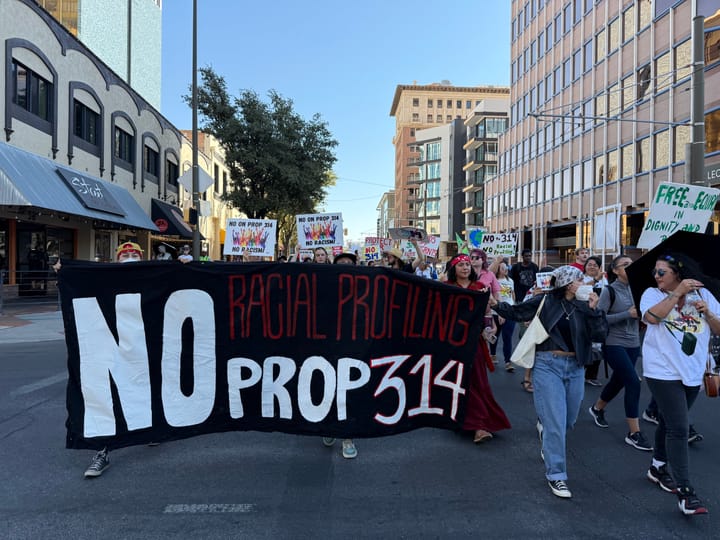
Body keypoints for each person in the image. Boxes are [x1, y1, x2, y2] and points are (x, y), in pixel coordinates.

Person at [494, 265, 607, 499]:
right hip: (548, 364)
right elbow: (517, 312)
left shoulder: (587, 304)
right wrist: (494, 305)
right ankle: (557, 475)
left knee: (569, 419)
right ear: (566, 283)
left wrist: (595, 311)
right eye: (578, 279)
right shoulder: (546, 301)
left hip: (576, 367)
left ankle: (546, 430)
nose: (583, 283)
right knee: (556, 423)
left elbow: (599, 336)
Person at [55, 241, 146, 477]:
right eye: (124, 254)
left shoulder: (151, 277)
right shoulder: (103, 280)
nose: (129, 256)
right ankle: (102, 451)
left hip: (141, 350)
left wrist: (185, 266)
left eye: (133, 254)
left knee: (146, 391)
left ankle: (150, 430)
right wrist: (65, 273)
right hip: (111, 351)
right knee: (107, 398)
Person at [640, 252, 720, 515]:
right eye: (655, 272)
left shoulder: (704, 295)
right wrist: (676, 295)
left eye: (661, 272)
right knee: (679, 427)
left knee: (668, 420)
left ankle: (657, 466)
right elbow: (652, 318)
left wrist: (707, 313)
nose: (656, 276)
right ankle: (686, 493)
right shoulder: (652, 294)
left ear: (678, 272)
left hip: (693, 370)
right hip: (661, 371)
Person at [588, 255, 652, 451]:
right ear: (615, 270)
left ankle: (597, 408)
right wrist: (628, 314)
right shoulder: (609, 291)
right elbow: (600, 319)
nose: (630, 267)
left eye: (631, 264)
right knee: (633, 381)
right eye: (625, 265)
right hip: (613, 342)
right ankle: (634, 433)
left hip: (633, 342)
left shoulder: (639, 289)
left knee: (620, 380)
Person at [446, 254, 511, 444]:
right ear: (454, 269)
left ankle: (480, 425)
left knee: (477, 381)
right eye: (461, 265)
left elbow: (487, 312)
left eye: (468, 264)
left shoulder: (481, 288)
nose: (466, 268)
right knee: (458, 381)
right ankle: (463, 420)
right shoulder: (447, 288)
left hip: (475, 342)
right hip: (453, 342)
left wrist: (490, 327)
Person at [320, 251, 359, 458]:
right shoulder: (326, 286)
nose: (345, 265)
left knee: (349, 392)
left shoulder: (365, 286)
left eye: (349, 263)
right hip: (328, 346)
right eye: (340, 263)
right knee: (328, 389)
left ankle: (347, 437)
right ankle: (329, 426)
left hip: (354, 347)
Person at [583, 256, 608, 386]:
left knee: (598, 345)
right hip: (583, 315)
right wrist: (594, 280)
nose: (592, 267)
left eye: (595, 265)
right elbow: (581, 291)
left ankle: (591, 375)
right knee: (584, 344)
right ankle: (581, 370)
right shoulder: (581, 278)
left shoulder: (604, 281)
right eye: (589, 264)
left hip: (598, 316)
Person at [491, 261, 516, 373]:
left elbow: (512, 294)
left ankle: (508, 362)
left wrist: (514, 306)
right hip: (496, 312)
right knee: (494, 335)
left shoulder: (511, 281)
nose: (505, 269)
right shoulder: (493, 281)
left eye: (506, 267)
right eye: (502, 267)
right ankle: (492, 354)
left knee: (507, 337)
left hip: (509, 311)